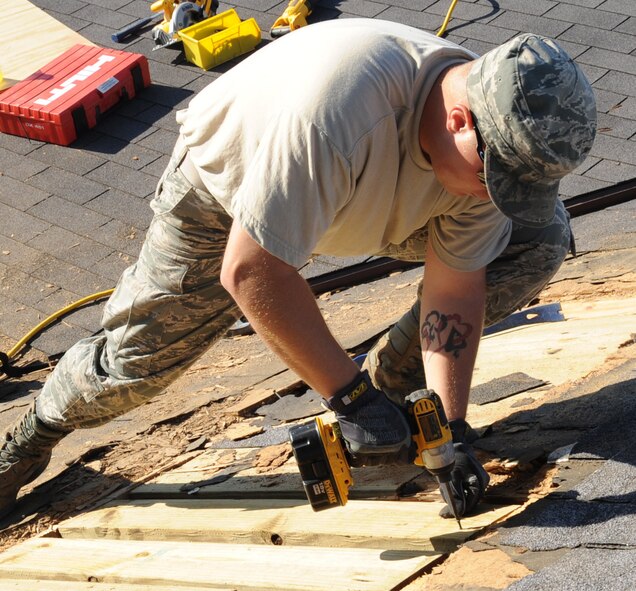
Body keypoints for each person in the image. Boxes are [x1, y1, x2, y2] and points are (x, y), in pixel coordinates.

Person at [0, 18, 596, 520]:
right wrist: (347, 394)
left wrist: (450, 427)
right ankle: (30, 439)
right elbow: (254, 272)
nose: (496, 195)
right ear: (461, 121)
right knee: (135, 366)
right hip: (224, 198)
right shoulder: (336, 113)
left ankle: (399, 397)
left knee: (535, 239)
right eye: (493, 179)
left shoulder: (482, 149)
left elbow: (456, 285)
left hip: (375, 195)